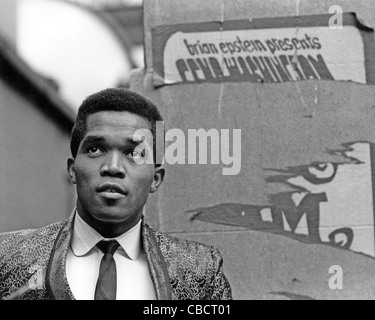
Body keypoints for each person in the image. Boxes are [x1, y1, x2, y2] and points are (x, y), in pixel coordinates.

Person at [0, 88, 232, 300]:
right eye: (95, 149)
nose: (113, 166)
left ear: (155, 179)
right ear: (72, 169)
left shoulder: (200, 270)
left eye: (134, 153)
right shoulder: (8, 257)